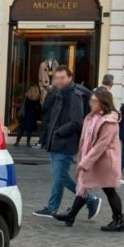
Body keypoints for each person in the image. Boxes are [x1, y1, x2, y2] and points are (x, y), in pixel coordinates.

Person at [53, 90, 124, 232]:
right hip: (95, 160)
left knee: (109, 190)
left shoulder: (109, 122)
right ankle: (71, 215)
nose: (91, 104)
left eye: (94, 101)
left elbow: (101, 145)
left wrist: (85, 162)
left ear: (103, 103)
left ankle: (119, 221)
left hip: (105, 162)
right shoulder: (92, 118)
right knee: (84, 185)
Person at [33, 66, 100, 218]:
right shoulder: (59, 93)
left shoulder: (74, 95)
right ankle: (52, 207)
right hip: (56, 141)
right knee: (58, 176)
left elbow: (76, 121)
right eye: (56, 78)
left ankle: (90, 199)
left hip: (65, 142)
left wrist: (59, 132)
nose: (59, 81)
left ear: (70, 77)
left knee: (60, 175)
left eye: (62, 78)